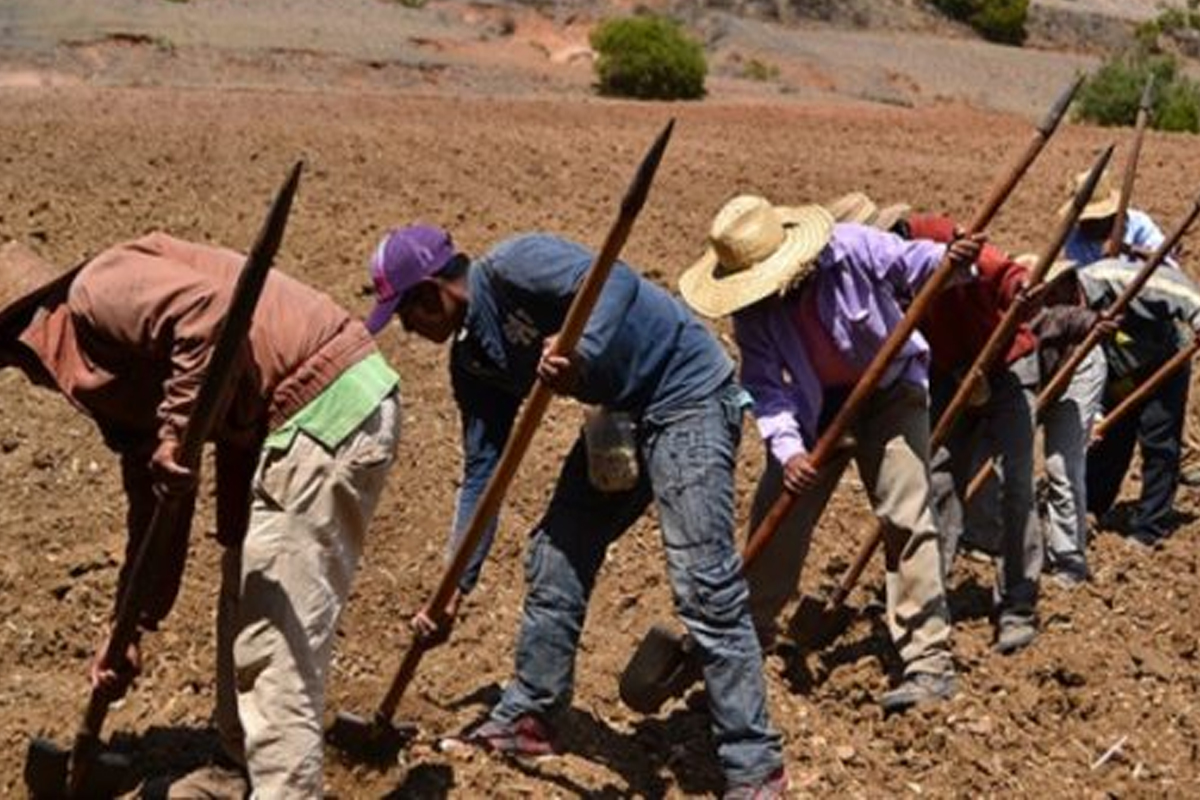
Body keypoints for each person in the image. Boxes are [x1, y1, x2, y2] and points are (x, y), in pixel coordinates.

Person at [363, 225, 786, 797]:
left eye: (408, 314)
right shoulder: (473, 363)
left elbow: (613, 279)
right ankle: (530, 715)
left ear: (433, 292)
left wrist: (578, 347)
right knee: (556, 551)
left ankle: (755, 767)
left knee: (704, 584)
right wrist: (453, 585)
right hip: (621, 416)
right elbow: (483, 476)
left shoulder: (513, 265)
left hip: (686, 394)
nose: (409, 331)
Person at [0, 233, 401, 797]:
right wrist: (129, 625)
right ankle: (239, 768)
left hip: (326, 401)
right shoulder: (116, 365)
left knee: (273, 645)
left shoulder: (99, 289)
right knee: (241, 593)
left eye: (17, 360)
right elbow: (158, 501)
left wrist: (176, 430)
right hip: (283, 426)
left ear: (25, 331)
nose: (30, 375)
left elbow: (208, 312)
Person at [678, 194, 983, 713]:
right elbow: (765, 389)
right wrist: (790, 451)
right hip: (812, 412)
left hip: (889, 393)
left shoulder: (851, 248)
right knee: (776, 520)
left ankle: (929, 662)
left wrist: (949, 258)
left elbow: (915, 265)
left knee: (907, 515)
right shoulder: (753, 313)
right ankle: (744, 645)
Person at [891, 211, 1045, 655]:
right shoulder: (870, 270)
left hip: (1005, 362)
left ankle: (1018, 605)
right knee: (935, 482)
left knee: (1016, 484)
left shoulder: (942, 237)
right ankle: (929, 603)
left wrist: (1020, 289)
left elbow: (1004, 270)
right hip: (943, 372)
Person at [1076, 256, 1200, 546]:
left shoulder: (1110, 276)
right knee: (1110, 440)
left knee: (1159, 441)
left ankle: (1150, 526)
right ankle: (1092, 507)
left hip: (1163, 360)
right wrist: (1092, 415)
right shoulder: (1057, 315)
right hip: (1115, 372)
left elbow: (1176, 288)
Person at [1023, 260, 1110, 586]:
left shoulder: (1054, 317)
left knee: (1062, 465)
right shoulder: (1000, 318)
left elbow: (1087, 320)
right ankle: (996, 541)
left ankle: (1069, 559)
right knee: (1003, 463)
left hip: (1076, 375)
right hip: (1032, 383)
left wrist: (1099, 322)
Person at [1060, 167, 1170, 267]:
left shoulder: (1138, 224)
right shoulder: (1075, 239)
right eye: (1084, 220)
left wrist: (1126, 249)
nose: (1087, 226)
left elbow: (1168, 263)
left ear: (1110, 216)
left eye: (1093, 220)